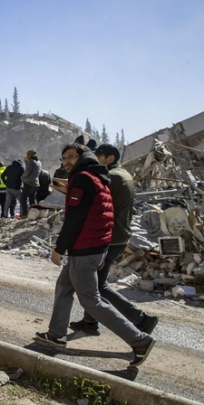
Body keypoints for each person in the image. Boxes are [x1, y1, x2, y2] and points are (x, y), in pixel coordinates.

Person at [35, 143, 156, 367]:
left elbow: (75, 218)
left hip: (85, 248)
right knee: (64, 287)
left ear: (83, 156)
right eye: (64, 158)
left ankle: (140, 341)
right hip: (95, 246)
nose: (67, 161)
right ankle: (56, 334)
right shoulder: (98, 176)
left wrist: (59, 249)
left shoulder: (82, 177)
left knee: (91, 301)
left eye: (72, 156)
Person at [70, 144, 159, 336]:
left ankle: (141, 319)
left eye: (99, 156)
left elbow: (95, 202)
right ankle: (90, 321)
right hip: (120, 234)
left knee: (98, 286)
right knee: (96, 284)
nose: (95, 160)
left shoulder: (111, 177)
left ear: (110, 158)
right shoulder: (122, 174)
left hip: (110, 236)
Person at [20, 149, 41, 218]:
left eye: (27, 155)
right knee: (32, 199)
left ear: (30, 155)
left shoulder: (31, 162)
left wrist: (22, 178)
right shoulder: (39, 162)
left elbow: (27, 172)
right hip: (36, 183)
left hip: (29, 183)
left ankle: (25, 214)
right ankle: (33, 214)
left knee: (23, 198)